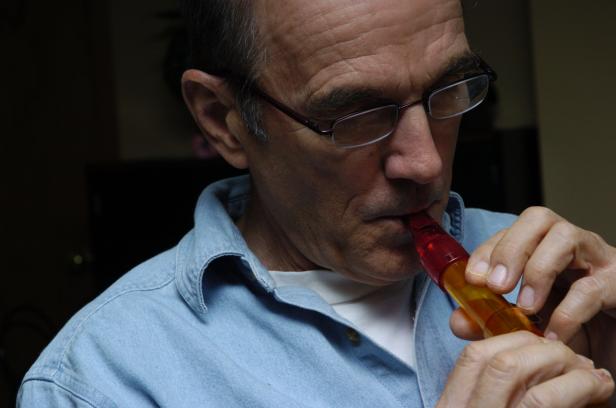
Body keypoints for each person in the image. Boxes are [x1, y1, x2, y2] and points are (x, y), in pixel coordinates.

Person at [18, 0, 616, 406]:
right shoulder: (97, 381)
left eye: (447, 89)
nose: (426, 163)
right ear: (222, 120)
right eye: (356, 115)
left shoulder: (556, 281)